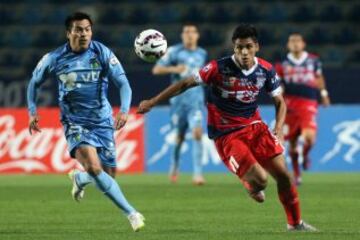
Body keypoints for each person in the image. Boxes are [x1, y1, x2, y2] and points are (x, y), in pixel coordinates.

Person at [138, 24, 316, 231]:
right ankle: (249, 183)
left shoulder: (266, 70)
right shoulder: (217, 68)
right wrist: (153, 101)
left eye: (248, 47)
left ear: (256, 46)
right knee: (261, 181)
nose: (244, 52)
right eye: (239, 47)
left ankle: (295, 224)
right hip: (227, 134)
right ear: (234, 47)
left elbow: (280, 102)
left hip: (256, 128)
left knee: (285, 177)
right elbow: (185, 83)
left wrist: (278, 128)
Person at [27, 12, 145, 232]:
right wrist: (32, 112)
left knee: (108, 175)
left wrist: (125, 110)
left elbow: (124, 84)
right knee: (93, 166)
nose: (83, 33)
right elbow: (34, 82)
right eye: (78, 29)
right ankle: (132, 213)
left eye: (87, 29)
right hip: (74, 123)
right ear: (68, 33)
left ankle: (80, 178)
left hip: (102, 120)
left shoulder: (102, 52)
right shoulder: (54, 58)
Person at [152, 24, 207, 185]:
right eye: (186, 32)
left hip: (195, 101)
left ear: (197, 35)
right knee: (179, 138)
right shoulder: (174, 51)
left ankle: (197, 174)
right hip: (178, 102)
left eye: (192, 32)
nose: (189, 35)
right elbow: (157, 69)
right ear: (182, 36)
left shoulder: (202, 53)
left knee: (197, 133)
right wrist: (175, 69)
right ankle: (175, 165)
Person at [275, 33, 331, 185]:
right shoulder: (282, 64)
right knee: (292, 143)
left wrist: (324, 94)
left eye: (298, 41)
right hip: (290, 104)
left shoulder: (313, 60)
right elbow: (279, 85)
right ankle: (297, 174)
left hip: (308, 103)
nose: (295, 44)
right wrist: (279, 98)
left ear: (303, 44)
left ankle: (305, 155)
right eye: (292, 41)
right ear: (288, 45)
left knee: (309, 138)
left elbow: (319, 78)